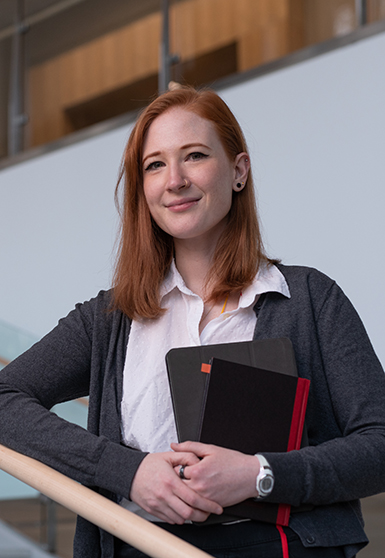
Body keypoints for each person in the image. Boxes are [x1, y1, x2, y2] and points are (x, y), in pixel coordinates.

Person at [0, 86, 385, 558]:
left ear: (239, 171)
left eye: (195, 156)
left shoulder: (310, 300)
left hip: (277, 546)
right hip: (139, 544)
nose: (175, 180)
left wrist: (259, 473)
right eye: (155, 165)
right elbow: (4, 400)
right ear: (142, 188)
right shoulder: (108, 320)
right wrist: (128, 471)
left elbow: (379, 443)